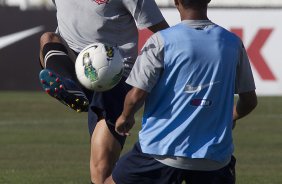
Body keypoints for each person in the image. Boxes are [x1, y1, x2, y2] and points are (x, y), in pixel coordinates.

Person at [105, 0, 258, 183]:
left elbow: (137, 95)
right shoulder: (232, 43)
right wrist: (231, 117)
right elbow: (249, 101)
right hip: (215, 158)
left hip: (160, 152)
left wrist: (125, 117)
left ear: (176, 2)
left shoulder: (161, 40)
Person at [37, 0, 169, 183]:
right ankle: (70, 88)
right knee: (49, 39)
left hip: (115, 77)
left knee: (101, 172)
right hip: (75, 65)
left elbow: (164, 33)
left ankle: (73, 91)